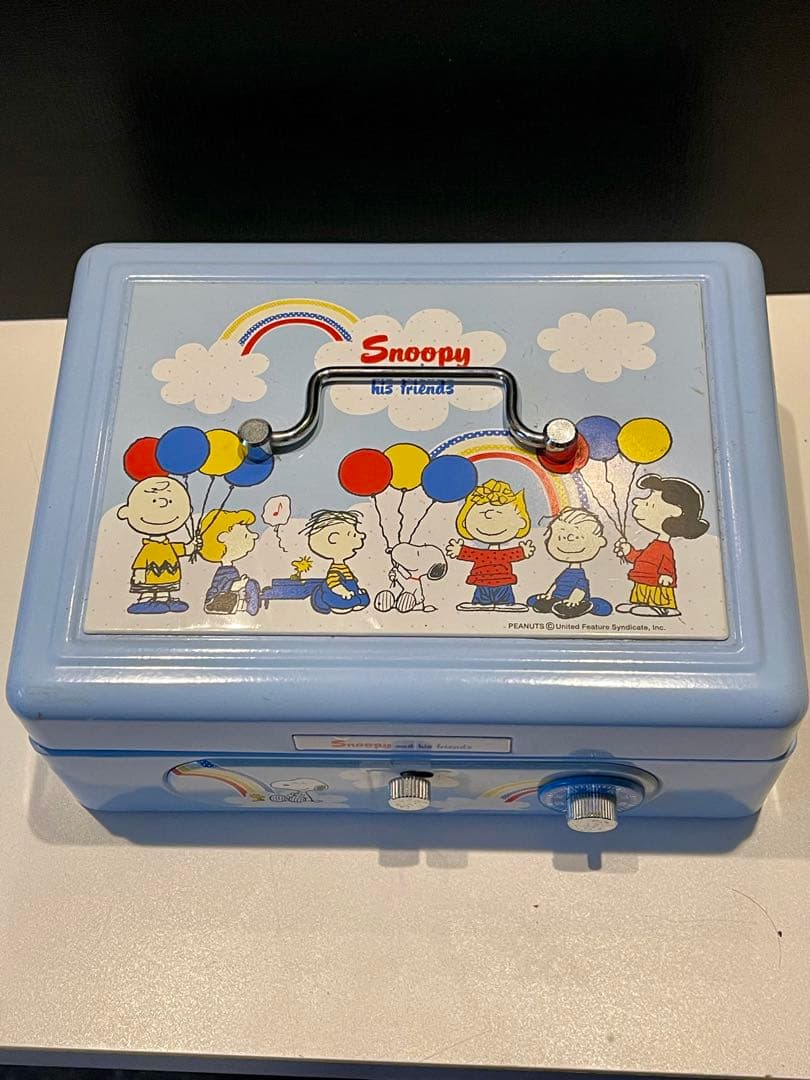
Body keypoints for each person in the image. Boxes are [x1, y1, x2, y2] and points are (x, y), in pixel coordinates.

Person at [614, 474, 709, 617]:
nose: (637, 501)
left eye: (650, 504)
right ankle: (641, 603)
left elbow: (667, 562)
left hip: (656, 580)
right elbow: (642, 558)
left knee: (658, 594)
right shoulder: (654, 545)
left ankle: (662, 608)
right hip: (644, 578)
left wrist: (666, 574)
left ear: (674, 513)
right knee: (643, 592)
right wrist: (629, 551)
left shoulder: (664, 547)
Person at [446, 479, 535, 611]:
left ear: (521, 522)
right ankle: (481, 603)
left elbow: (513, 554)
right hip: (482, 581)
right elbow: (471, 554)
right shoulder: (481, 554)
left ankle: (505, 603)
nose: (490, 517)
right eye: (481, 514)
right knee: (482, 596)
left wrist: (524, 551)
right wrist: (458, 550)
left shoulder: (501, 554)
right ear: (465, 522)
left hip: (503, 581)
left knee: (504, 595)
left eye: (500, 514)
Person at [117, 476, 199, 614]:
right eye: (154, 500)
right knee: (148, 591)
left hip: (169, 576)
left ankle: (164, 600)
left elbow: (181, 549)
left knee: (164, 590)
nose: (162, 504)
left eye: (170, 501)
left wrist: (192, 546)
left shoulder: (168, 545)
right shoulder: (149, 547)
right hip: (150, 577)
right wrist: (139, 573)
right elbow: (141, 561)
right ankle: (145, 602)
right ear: (126, 512)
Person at [528, 507, 612, 618]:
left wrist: (574, 600)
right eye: (559, 537)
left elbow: (581, 589)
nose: (568, 541)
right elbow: (556, 584)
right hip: (557, 598)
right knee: (532, 600)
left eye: (578, 537)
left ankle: (583, 606)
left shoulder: (579, 574)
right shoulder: (566, 573)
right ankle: (555, 604)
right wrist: (548, 594)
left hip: (576, 599)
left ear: (600, 541)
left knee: (603, 608)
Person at [300, 509, 370, 614]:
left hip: (350, 592)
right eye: (353, 535)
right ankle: (341, 604)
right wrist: (343, 592)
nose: (362, 535)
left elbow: (351, 581)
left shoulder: (343, 567)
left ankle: (354, 601)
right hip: (339, 594)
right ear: (334, 539)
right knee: (345, 600)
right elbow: (334, 584)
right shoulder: (335, 570)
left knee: (364, 598)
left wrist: (356, 590)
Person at [199, 508, 260, 616]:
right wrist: (241, 584)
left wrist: (240, 583)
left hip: (224, 599)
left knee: (250, 584)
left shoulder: (229, 568)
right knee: (250, 584)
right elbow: (222, 586)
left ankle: (248, 604)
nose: (255, 536)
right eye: (245, 535)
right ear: (223, 538)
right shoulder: (224, 570)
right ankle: (250, 606)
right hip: (214, 601)